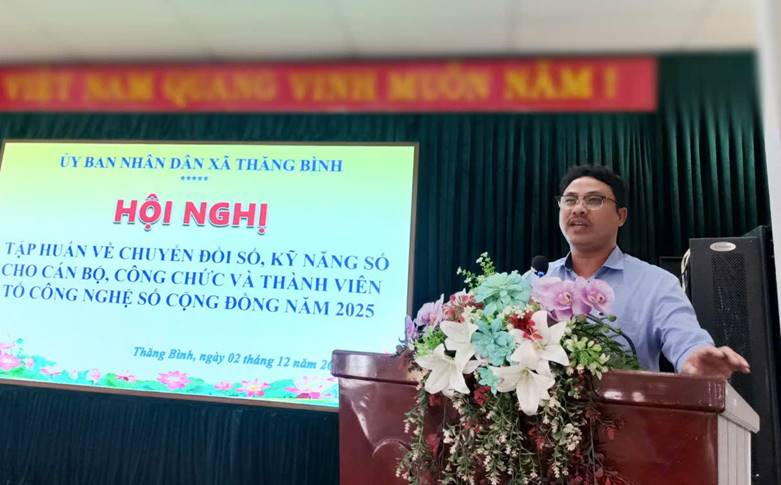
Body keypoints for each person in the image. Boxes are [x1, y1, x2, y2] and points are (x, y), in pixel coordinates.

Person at [546, 164, 750, 379]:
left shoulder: (656, 283)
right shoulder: (535, 279)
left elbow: (684, 336)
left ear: (621, 216)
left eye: (594, 200)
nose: (578, 209)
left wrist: (694, 357)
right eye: (570, 200)